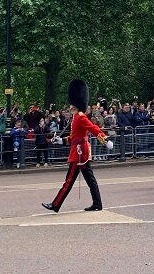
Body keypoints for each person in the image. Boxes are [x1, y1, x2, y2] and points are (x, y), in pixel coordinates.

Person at [41, 79, 113, 213]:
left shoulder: (80, 117)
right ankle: (97, 203)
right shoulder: (76, 117)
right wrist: (61, 140)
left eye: (71, 104)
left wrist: (105, 139)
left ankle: (56, 204)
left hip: (80, 153)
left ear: (76, 104)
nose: (70, 106)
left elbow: (93, 128)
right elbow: (74, 137)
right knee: (89, 179)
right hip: (79, 150)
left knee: (69, 180)